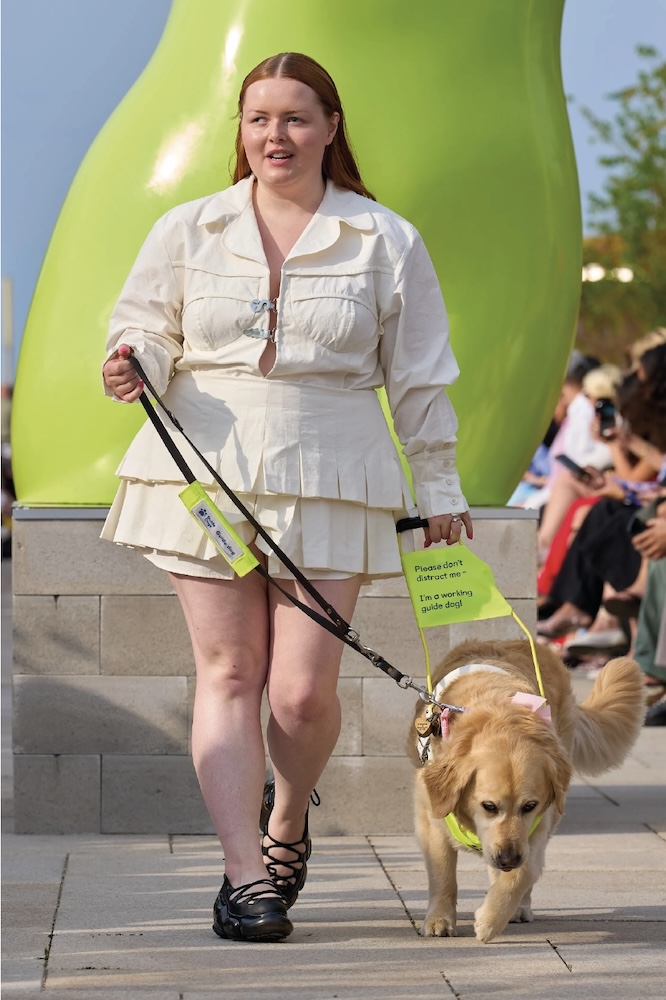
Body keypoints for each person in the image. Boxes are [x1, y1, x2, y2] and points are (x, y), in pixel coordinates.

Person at [101, 52, 472, 943]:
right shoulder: (189, 227)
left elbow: (418, 379)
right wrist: (133, 362)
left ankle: (289, 815)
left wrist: (441, 489)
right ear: (241, 130)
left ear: (331, 127)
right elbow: (147, 326)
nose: (276, 135)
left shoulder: (386, 238)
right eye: (259, 118)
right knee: (229, 674)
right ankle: (244, 880)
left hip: (334, 468)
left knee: (300, 697)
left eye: (296, 118)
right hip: (202, 467)